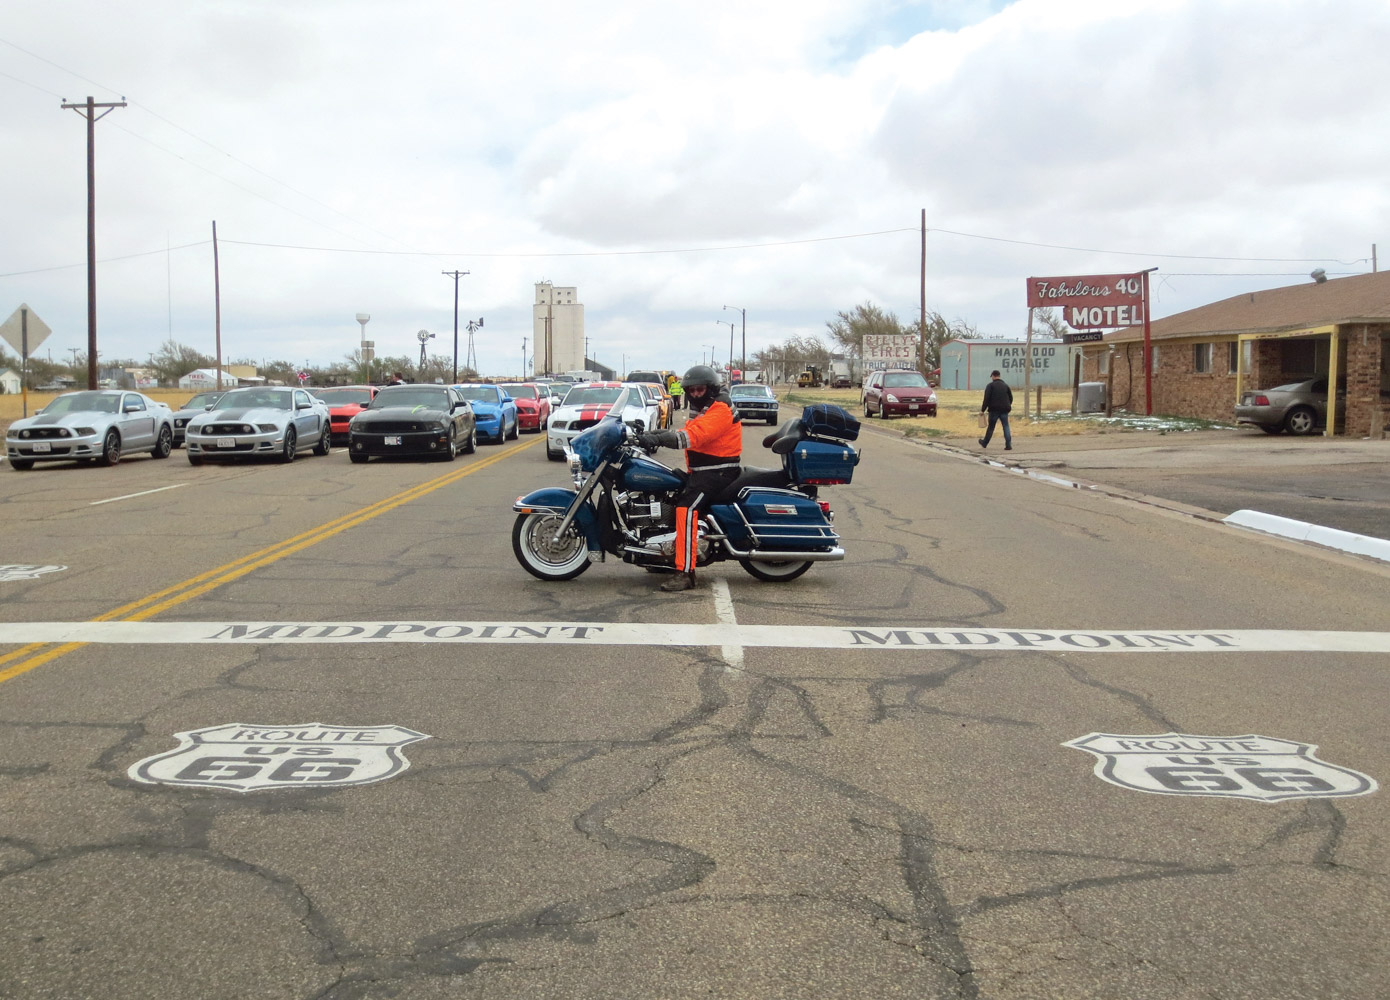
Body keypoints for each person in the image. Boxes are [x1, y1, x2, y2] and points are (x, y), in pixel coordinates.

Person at [637, 364, 742, 592]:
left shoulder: (720, 408)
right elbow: (688, 428)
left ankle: (685, 574)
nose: (695, 394)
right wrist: (649, 434)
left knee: (685, 509)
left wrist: (660, 440)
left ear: (711, 388)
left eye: (700, 389)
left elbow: (693, 436)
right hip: (705, 470)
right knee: (672, 496)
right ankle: (665, 556)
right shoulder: (705, 406)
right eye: (692, 390)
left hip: (718, 472)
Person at [978, 369, 1013, 450]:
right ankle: (1008, 444)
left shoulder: (990, 386)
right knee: (1006, 426)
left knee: (991, 427)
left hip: (994, 410)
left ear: (993, 376)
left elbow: (986, 399)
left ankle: (985, 443)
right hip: (1005, 409)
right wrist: (1007, 405)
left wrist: (982, 410)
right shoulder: (1005, 385)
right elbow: (1011, 397)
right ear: (999, 376)